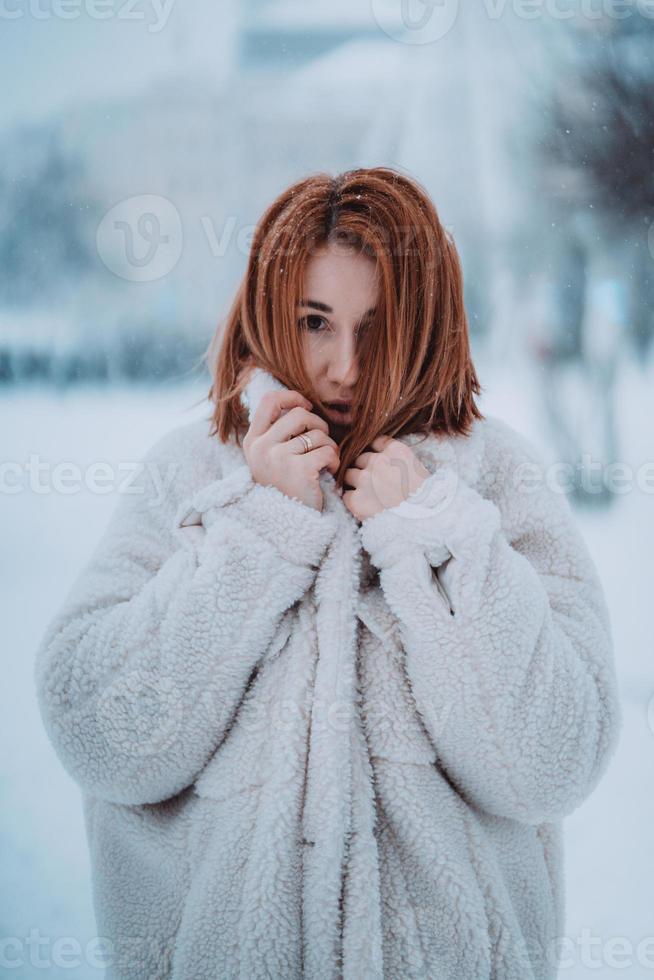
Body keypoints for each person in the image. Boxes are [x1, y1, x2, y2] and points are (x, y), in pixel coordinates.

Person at [34, 166, 622, 980]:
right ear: (272, 312)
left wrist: (436, 540)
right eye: (316, 321)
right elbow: (98, 736)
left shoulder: (498, 483)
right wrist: (254, 536)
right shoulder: (191, 476)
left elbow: (552, 763)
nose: (345, 366)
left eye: (376, 327)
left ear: (426, 323)